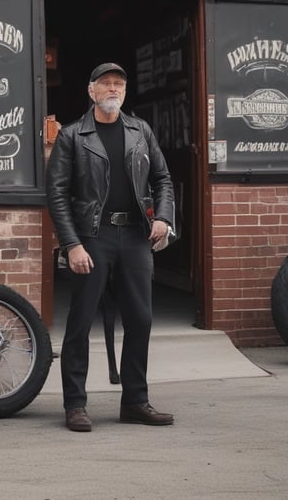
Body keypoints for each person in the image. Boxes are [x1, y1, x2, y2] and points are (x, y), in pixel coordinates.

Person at [46, 62, 176, 432]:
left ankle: (135, 401)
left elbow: (163, 178)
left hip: (135, 235)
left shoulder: (140, 130)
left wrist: (163, 217)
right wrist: (72, 244)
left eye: (119, 83)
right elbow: (56, 194)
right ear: (92, 91)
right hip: (93, 237)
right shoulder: (73, 136)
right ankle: (75, 405)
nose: (113, 89)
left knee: (140, 319)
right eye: (105, 84)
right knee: (80, 322)